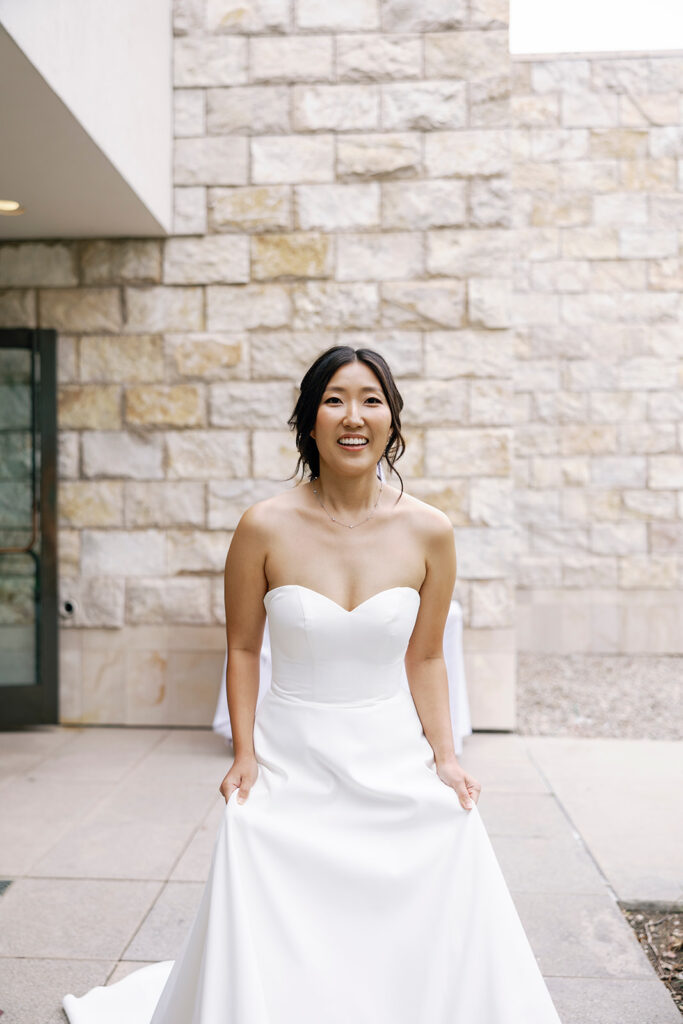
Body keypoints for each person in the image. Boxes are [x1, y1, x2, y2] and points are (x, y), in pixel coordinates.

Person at [63, 345, 563, 1024]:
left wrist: (444, 756)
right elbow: (242, 647)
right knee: (255, 837)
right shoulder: (263, 525)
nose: (352, 416)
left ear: (391, 420)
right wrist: (245, 755)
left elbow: (424, 659)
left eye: (369, 399)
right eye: (334, 399)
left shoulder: (430, 532)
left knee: (452, 827)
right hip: (292, 750)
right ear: (308, 422)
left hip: (388, 746)